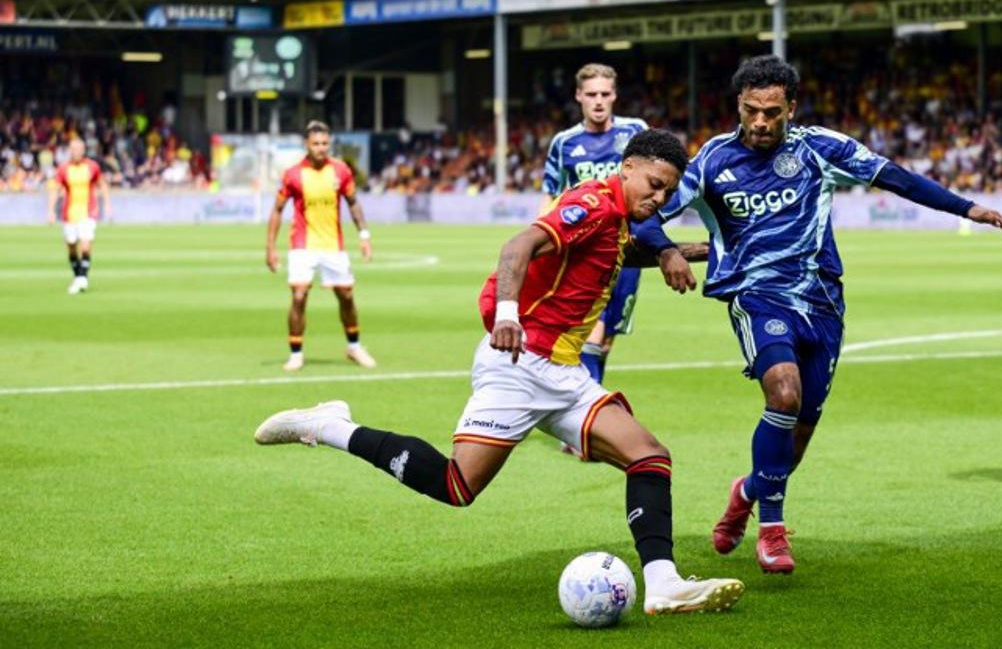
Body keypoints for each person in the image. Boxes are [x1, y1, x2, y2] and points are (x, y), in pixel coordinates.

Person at [254, 130, 745, 615]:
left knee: (650, 457)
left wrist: (687, 250)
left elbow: (617, 251)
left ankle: (664, 584)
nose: (659, 198)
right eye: (653, 184)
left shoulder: (616, 216)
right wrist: (508, 314)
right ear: (628, 168)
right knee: (456, 486)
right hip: (519, 364)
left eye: (666, 192)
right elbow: (518, 246)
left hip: (563, 373)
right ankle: (329, 425)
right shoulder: (595, 203)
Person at [632, 55, 1002, 574]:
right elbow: (648, 208)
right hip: (757, 296)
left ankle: (746, 491)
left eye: (772, 111)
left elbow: (893, 176)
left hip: (822, 302)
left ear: (791, 107)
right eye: (751, 111)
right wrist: (666, 251)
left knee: (799, 434)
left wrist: (967, 208)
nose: (761, 122)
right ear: (738, 107)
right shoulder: (712, 160)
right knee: (783, 393)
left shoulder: (820, 147)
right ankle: (772, 529)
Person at [541, 63, 649, 384]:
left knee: (605, 338)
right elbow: (550, 195)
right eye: (591, 94)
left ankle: (585, 411)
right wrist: (543, 239)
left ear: (614, 95)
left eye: (604, 94)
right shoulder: (565, 143)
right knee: (589, 330)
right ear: (579, 97)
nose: (598, 101)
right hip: (586, 249)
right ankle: (582, 422)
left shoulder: (635, 132)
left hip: (629, 250)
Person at [266, 120, 376, 371]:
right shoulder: (293, 174)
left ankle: (354, 346)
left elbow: (353, 203)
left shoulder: (340, 171)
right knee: (299, 295)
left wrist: (364, 235)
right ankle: (296, 353)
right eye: (316, 143)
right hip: (302, 244)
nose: (321, 148)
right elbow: (277, 210)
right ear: (307, 144)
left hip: (333, 245)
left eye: (325, 143)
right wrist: (270, 248)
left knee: (346, 296)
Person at [47, 137, 111, 295]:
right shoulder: (63, 169)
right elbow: (55, 190)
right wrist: (50, 210)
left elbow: (102, 183)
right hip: (69, 213)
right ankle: (78, 277)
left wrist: (107, 204)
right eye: (74, 149)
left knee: (85, 245)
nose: (77, 152)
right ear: (70, 150)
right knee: (71, 246)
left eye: (79, 149)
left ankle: (82, 278)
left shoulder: (92, 166)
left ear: (84, 150)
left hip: (88, 212)